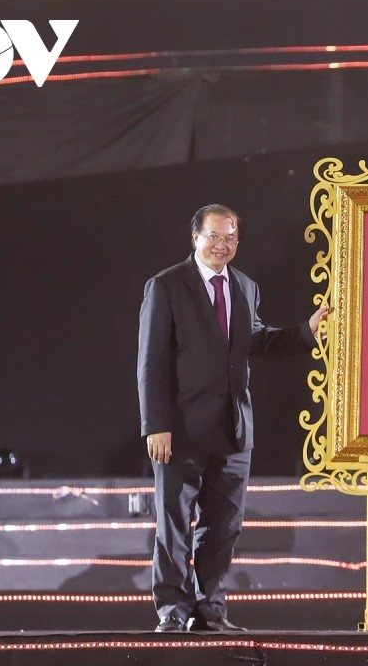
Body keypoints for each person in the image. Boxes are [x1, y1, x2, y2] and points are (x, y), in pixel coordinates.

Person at [137, 204, 327, 632]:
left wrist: (306, 332)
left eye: (230, 238)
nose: (222, 245)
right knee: (174, 524)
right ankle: (173, 611)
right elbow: (151, 362)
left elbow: (254, 339)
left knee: (224, 526)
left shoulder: (244, 286)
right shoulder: (166, 286)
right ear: (195, 238)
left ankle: (210, 611)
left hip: (234, 430)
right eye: (214, 237)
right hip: (179, 430)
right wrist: (156, 425)